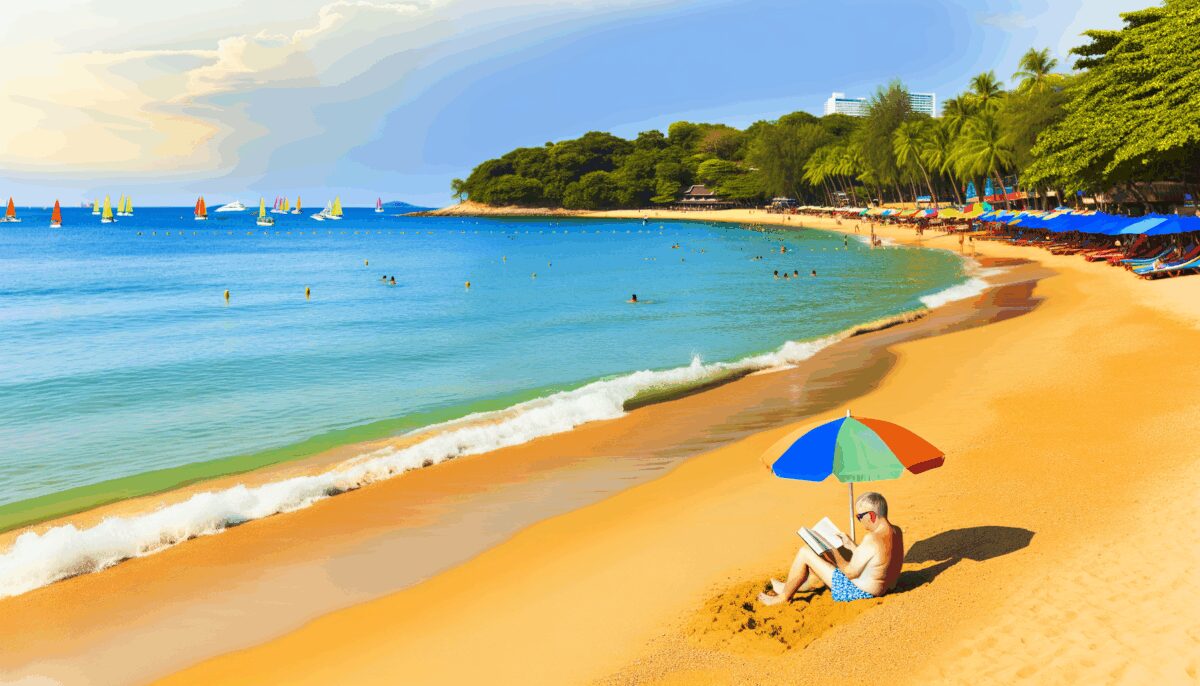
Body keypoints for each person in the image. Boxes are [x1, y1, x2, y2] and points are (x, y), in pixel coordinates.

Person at [759, 492, 904, 606]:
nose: (859, 520)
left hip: (858, 593)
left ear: (871, 515)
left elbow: (850, 573)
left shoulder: (872, 539)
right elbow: (876, 559)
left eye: (859, 516)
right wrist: (852, 546)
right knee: (831, 556)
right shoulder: (896, 531)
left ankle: (783, 597)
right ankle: (792, 586)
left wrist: (833, 553)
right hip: (884, 587)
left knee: (806, 552)